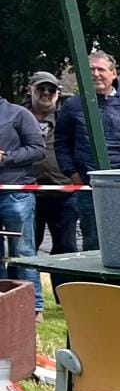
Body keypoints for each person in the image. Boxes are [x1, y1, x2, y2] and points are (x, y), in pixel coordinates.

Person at [55, 50, 120, 252]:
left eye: (100, 69)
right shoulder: (72, 106)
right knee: (94, 245)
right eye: (90, 70)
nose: (95, 74)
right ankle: (97, 284)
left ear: (114, 73)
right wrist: (72, 173)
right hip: (89, 188)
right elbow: (61, 143)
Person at [0, 89, 45, 317]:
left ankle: (34, 306)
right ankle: (2, 305)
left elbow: (38, 149)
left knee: (24, 251)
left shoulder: (19, 114)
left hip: (16, 192)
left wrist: (5, 158)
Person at [27, 73, 78, 255]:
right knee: (27, 249)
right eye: (41, 88)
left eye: (52, 89)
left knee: (66, 249)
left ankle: (64, 285)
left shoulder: (68, 117)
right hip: (28, 193)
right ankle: (28, 284)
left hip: (64, 193)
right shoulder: (18, 117)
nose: (46, 93)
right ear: (30, 89)